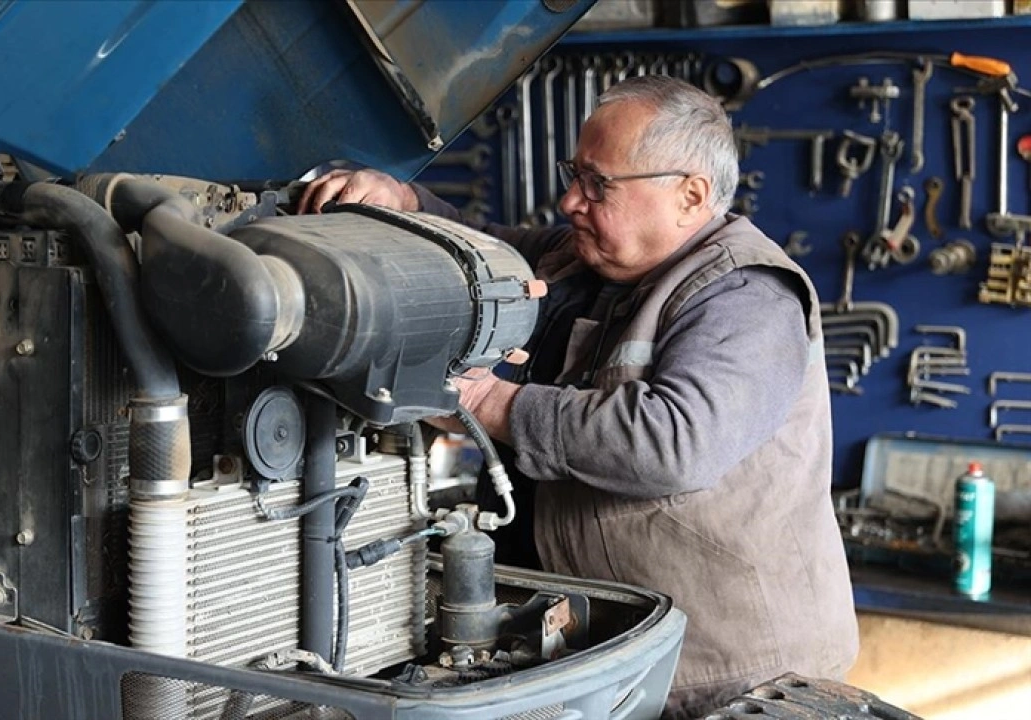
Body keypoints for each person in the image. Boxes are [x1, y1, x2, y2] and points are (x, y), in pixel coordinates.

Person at [299, 74, 859, 718]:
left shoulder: (746, 295)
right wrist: (402, 200)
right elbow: (480, 250)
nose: (570, 201)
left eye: (599, 184)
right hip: (613, 654)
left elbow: (672, 443)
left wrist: (490, 404)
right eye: (575, 175)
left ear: (690, 196)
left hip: (728, 676)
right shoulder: (580, 261)